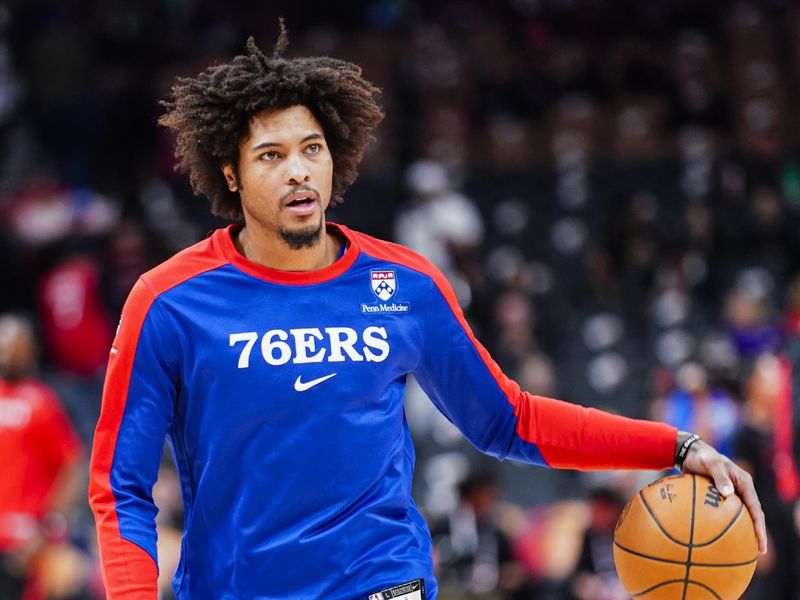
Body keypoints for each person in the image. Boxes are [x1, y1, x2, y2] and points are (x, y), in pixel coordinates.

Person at [88, 28, 767, 600]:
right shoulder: (169, 301)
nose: (298, 172)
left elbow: (510, 420)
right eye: (271, 156)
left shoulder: (403, 283)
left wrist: (676, 445)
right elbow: (122, 488)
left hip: (382, 582)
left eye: (311, 149)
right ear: (230, 174)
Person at [0, 315, 84, 600]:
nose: (7, 350)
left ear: (30, 350)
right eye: (3, 342)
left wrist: (49, 525)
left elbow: (71, 465)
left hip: (27, 539)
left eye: (14, 343)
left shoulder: (42, 402)